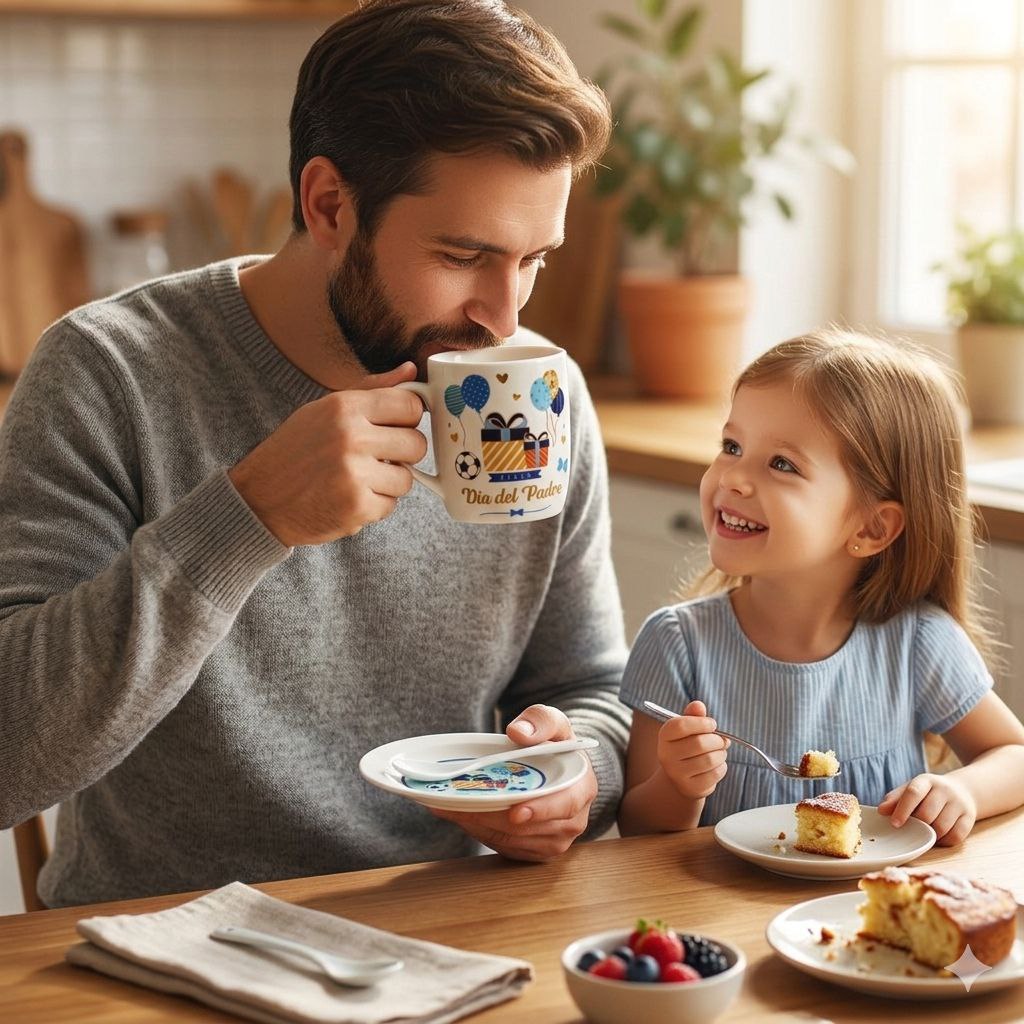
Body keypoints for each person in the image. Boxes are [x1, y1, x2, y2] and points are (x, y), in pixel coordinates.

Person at [0, 0, 630, 908]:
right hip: (160, 942)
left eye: (536, 260)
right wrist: (246, 520)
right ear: (330, 204)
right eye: (463, 254)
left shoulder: (539, 397)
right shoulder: (110, 373)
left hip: (435, 933)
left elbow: (590, 688)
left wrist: (578, 779)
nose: (507, 315)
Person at [617, 329, 1024, 843]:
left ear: (871, 528)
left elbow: (1014, 756)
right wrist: (678, 786)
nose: (733, 478)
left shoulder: (919, 642)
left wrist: (963, 791)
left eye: (782, 464)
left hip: (861, 915)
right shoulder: (676, 644)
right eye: (732, 445)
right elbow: (636, 830)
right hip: (718, 915)